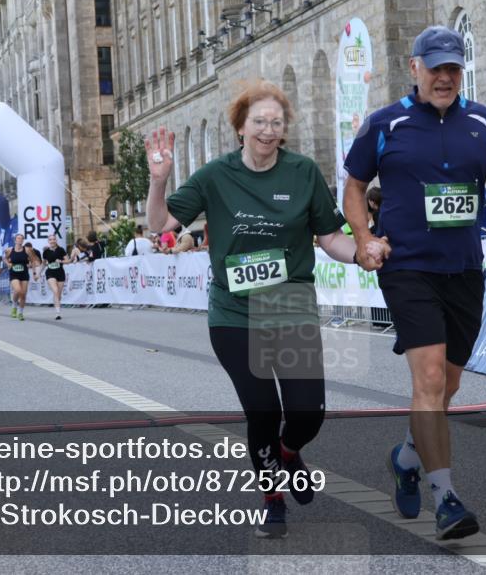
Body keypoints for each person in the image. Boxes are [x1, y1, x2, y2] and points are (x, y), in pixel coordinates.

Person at [146, 81, 389, 539]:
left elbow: (328, 237)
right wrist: (159, 181)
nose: (267, 130)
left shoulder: (302, 172)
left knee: (307, 413)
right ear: (240, 127)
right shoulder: (214, 176)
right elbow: (160, 225)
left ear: (284, 129)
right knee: (261, 408)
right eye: (258, 121)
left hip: (290, 306)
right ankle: (272, 497)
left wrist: (360, 252)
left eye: (276, 122)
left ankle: (289, 451)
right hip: (235, 313)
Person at [343, 25, 486, 540]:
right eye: (436, 67)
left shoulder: (483, 121)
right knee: (427, 379)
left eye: (453, 68)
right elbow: (354, 187)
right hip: (407, 266)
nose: (445, 77)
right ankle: (445, 497)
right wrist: (364, 238)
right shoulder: (384, 124)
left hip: (463, 267)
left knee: (448, 384)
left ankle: (406, 457)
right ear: (415, 67)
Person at [41, 234, 69, 320]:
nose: (52, 241)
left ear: (56, 240)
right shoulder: (46, 252)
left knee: (58, 295)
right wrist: (38, 273)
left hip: (60, 273)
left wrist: (60, 261)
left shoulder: (61, 250)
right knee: (55, 290)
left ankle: (57, 304)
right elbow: (43, 263)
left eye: (54, 239)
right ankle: (58, 313)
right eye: (50, 240)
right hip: (50, 273)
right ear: (48, 241)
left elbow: (67, 261)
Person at [5, 233, 31, 321]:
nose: (20, 240)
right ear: (15, 240)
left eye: (21, 239)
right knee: (18, 290)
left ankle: (20, 313)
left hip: (24, 274)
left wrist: (30, 264)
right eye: (18, 238)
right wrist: (8, 264)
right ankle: (14, 306)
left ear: (23, 241)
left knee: (23, 294)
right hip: (14, 273)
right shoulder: (9, 250)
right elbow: (5, 258)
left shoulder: (27, 250)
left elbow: (31, 260)